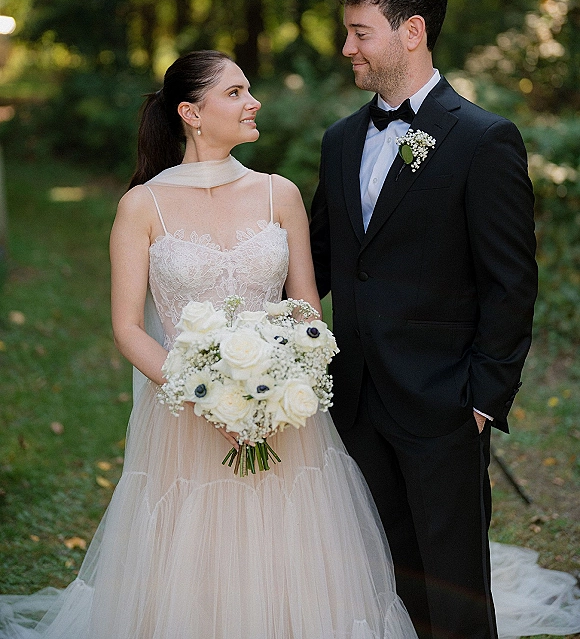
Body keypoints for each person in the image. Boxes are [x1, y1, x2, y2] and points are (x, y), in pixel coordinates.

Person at [0, 50, 418, 639]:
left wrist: (284, 383)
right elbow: (127, 328)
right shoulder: (142, 206)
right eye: (236, 92)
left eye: (249, 90)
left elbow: (305, 309)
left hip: (284, 418)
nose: (254, 102)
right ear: (191, 113)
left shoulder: (281, 194)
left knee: (286, 550)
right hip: (182, 419)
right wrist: (205, 396)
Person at [310, 0, 575, 639]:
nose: (347, 48)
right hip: (357, 402)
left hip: (444, 410)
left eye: (359, 31)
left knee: (453, 596)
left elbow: (512, 282)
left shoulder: (484, 139)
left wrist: (483, 401)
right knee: (374, 579)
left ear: (413, 30)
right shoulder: (340, 141)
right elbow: (317, 263)